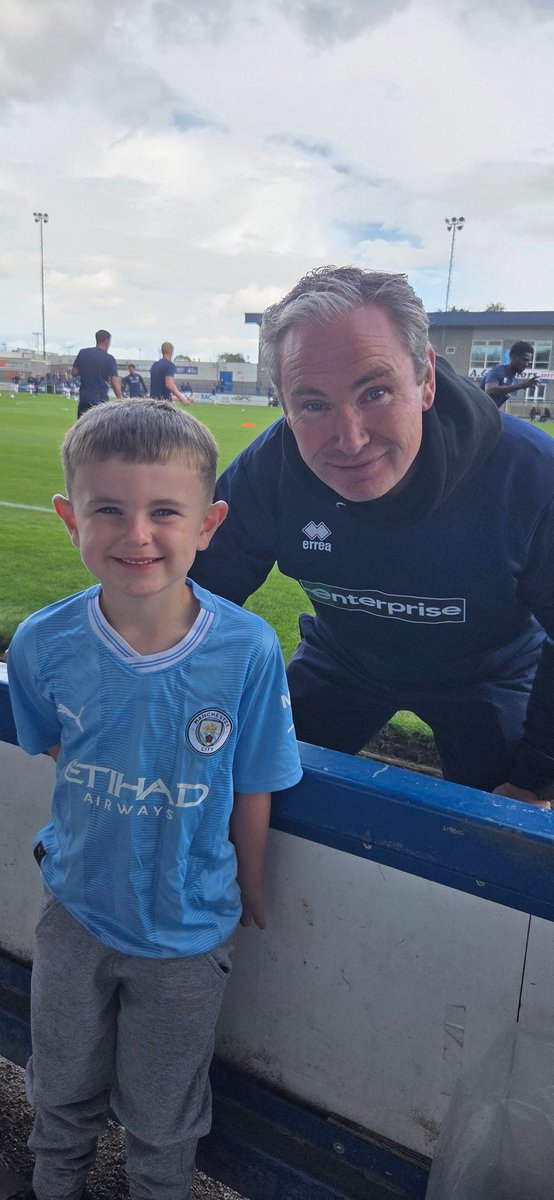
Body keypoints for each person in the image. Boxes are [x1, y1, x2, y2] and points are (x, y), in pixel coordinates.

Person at [7, 399, 302, 1200]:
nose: (137, 534)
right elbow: (65, 746)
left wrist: (249, 879)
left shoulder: (248, 649)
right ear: (72, 518)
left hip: (186, 932)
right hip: (74, 913)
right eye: (110, 510)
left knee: (164, 1116)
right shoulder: (42, 642)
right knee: (60, 1089)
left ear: (208, 523)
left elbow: (253, 778)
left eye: (164, 511)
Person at [191, 265, 554, 809]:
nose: (350, 438)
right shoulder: (270, 470)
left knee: (503, 829)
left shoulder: (530, 475)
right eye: (313, 404)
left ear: (426, 379)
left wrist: (536, 776)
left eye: (376, 392)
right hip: (344, 659)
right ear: (285, 407)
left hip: (491, 672)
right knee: (245, 787)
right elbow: (198, 595)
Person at [72, 329, 122, 418]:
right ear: (107, 341)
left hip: (84, 398)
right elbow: (114, 381)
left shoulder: (83, 353)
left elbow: (74, 372)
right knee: (98, 429)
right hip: (100, 400)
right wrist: (120, 398)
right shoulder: (109, 359)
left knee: (81, 428)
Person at [481, 341, 540, 408]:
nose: (526, 364)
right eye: (524, 360)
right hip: (479, 412)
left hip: (491, 412)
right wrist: (521, 386)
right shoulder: (499, 371)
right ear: (513, 357)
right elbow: (490, 390)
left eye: (528, 361)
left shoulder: (512, 378)